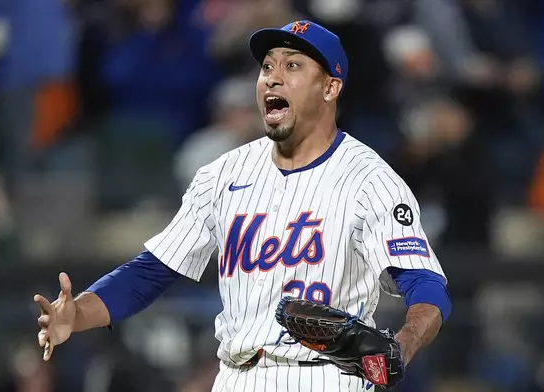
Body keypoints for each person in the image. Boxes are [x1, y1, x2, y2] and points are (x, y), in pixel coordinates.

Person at [33, 20, 451, 392]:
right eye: (267, 67)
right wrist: (78, 314)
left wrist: (402, 345)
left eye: (292, 66)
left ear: (330, 87)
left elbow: (426, 285)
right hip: (237, 376)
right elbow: (151, 272)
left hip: (325, 377)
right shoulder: (223, 174)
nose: (272, 78)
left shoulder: (370, 181)